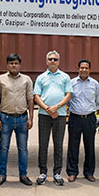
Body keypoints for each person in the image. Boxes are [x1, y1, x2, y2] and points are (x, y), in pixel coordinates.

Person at [0, 53, 34, 186]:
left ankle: (23, 175)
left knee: (23, 149)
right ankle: (2, 174)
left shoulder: (27, 80)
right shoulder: (0, 80)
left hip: (22, 119)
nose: (13, 65)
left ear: (20, 65)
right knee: (4, 148)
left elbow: (30, 99)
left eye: (16, 63)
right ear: (7, 65)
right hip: (5, 118)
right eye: (11, 63)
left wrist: (31, 118)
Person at [33, 50, 72, 185]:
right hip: (44, 115)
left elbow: (68, 95)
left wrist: (56, 107)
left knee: (58, 145)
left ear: (59, 61)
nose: (53, 61)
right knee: (43, 145)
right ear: (46, 61)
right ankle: (43, 172)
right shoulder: (41, 77)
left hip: (60, 115)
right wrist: (47, 109)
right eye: (50, 59)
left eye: (55, 59)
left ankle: (57, 173)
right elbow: (36, 96)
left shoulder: (65, 77)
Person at [66, 59, 99, 182]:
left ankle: (89, 172)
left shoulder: (95, 84)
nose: (84, 70)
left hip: (89, 119)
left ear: (90, 70)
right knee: (73, 146)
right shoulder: (71, 83)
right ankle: (72, 172)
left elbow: (97, 101)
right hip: (75, 118)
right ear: (78, 69)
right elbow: (68, 99)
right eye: (82, 68)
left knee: (90, 147)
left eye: (86, 68)